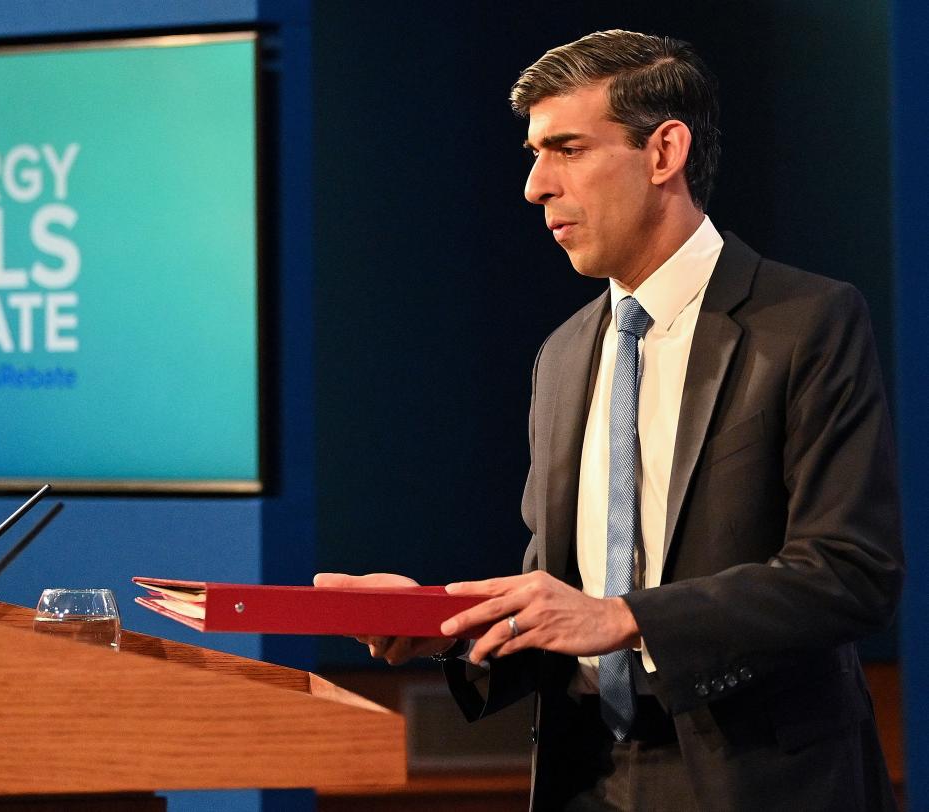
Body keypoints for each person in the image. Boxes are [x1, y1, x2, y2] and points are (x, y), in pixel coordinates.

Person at [315, 29, 902, 811]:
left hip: (760, 778)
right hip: (586, 773)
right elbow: (562, 594)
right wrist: (448, 624)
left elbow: (850, 572)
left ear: (665, 153)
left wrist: (626, 618)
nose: (534, 186)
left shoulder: (807, 322)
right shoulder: (562, 356)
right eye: (533, 153)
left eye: (567, 149)